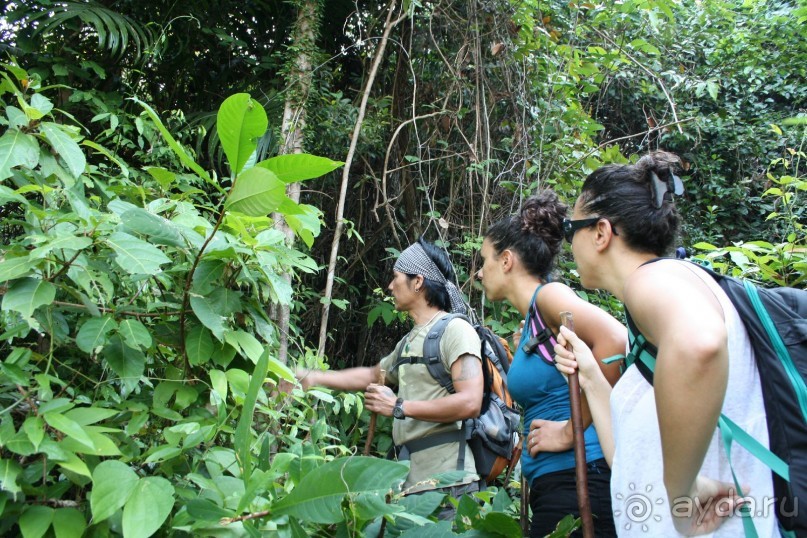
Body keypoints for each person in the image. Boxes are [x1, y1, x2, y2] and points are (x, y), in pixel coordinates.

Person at [552, 151, 779, 536]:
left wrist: (682, 493)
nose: (568, 244)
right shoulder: (652, 321)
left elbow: (699, 345)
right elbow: (630, 459)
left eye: (570, 228)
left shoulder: (655, 279)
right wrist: (591, 376)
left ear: (601, 233)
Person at [296, 238, 484, 516]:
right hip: (412, 489)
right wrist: (314, 377)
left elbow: (470, 403)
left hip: (449, 488)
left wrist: (398, 406)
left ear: (418, 281)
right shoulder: (409, 341)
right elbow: (373, 375)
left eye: (396, 277)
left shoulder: (456, 330)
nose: (390, 286)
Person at [477, 191, 626, 538]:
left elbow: (615, 341)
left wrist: (568, 429)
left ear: (507, 260)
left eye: (484, 260)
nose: (480, 273)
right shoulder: (533, 322)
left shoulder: (548, 297)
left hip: (580, 481)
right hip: (560, 486)